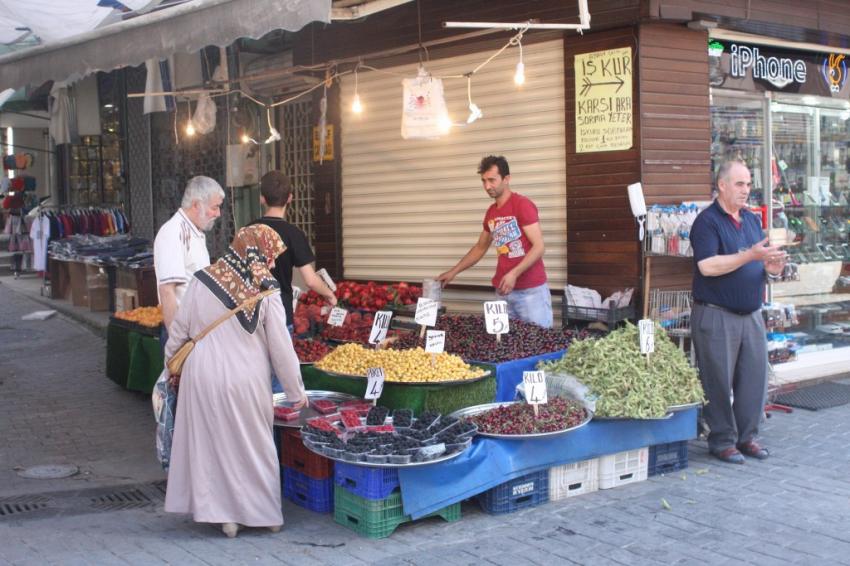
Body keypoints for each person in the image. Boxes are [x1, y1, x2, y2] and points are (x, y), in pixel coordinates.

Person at [163, 224, 307, 537]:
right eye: (271, 256)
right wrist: (296, 390)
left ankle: (225, 517)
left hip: (201, 377)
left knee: (213, 446)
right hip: (247, 380)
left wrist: (169, 366)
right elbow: (281, 349)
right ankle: (266, 516)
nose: (271, 263)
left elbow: (180, 331)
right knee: (254, 446)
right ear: (260, 253)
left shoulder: (202, 279)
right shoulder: (267, 290)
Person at [690, 159, 786, 465]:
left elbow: (756, 263)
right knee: (717, 380)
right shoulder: (706, 221)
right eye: (740, 184)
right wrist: (749, 256)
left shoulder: (751, 220)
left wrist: (770, 270)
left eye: (748, 184)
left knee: (753, 379)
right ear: (722, 185)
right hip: (717, 314)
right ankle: (721, 440)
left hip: (751, 314)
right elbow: (708, 266)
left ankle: (748, 437)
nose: (746, 190)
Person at [437, 155, 552, 328]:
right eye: (483, 181)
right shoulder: (491, 212)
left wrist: (514, 273)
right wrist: (454, 271)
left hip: (530, 291)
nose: (487, 186)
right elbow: (480, 247)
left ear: (507, 179)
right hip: (503, 291)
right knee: (503, 345)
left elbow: (539, 247)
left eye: (492, 180)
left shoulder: (522, 205)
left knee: (538, 343)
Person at [248, 170, 337, 328]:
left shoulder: (248, 230)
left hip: (250, 314)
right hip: (280, 313)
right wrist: (329, 294)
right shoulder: (293, 234)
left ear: (262, 198)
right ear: (290, 198)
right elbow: (310, 280)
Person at [153, 176, 224, 347]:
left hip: (197, 331)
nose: (218, 213)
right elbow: (167, 291)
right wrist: (177, 343)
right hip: (184, 335)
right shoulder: (173, 233)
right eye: (214, 207)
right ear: (196, 205)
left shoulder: (195, 231)